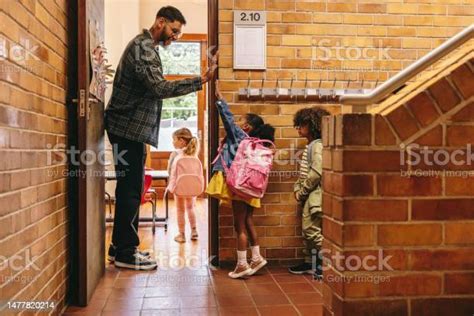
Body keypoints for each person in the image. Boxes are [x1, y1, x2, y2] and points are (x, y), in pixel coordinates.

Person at [104, 6, 218, 270]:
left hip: (131, 129)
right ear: (161, 21)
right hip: (127, 128)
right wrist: (200, 80)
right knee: (131, 190)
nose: (175, 37)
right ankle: (125, 252)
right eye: (174, 30)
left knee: (131, 189)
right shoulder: (144, 48)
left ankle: (119, 247)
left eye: (178, 33)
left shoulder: (146, 47)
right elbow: (159, 87)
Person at [206, 81, 275, 279]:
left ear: (246, 126)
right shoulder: (256, 144)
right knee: (248, 220)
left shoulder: (240, 137)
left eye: (240, 120)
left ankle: (242, 265)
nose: (236, 122)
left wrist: (219, 98)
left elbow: (226, 118)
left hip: (240, 186)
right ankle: (256, 257)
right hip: (252, 188)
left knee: (239, 226)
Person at [288, 107, 329, 279]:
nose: (298, 128)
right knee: (308, 232)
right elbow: (304, 173)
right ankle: (311, 262)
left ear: (312, 125)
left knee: (311, 229)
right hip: (309, 193)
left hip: (314, 194)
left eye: (301, 124)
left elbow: (316, 172)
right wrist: (298, 189)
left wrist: (303, 191)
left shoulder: (317, 145)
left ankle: (327, 264)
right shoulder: (311, 145)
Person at [167, 128, 201, 243]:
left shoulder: (176, 154)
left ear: (181, 141)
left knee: (180, 209)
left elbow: (170, 171)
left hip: (179, 187)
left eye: (174, 140)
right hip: (192, 187)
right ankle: (194, 231)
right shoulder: (194, 155)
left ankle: (181, 235)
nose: (173, 142)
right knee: (190, 208)